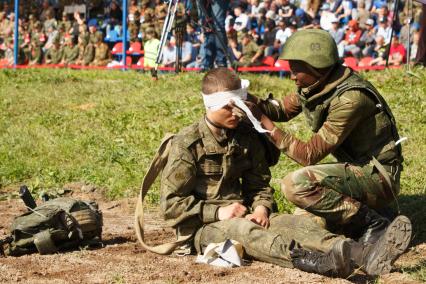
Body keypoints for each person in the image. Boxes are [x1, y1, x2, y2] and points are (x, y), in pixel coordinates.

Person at [152, 67, 412, 278]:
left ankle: (359, 253)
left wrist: (262, 208)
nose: (235, 113)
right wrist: (219, 212)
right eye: (227, 108)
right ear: (209, 106)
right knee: (247, 233)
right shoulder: (187, 144)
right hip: (203, 227)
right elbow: (171, 206)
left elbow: (259, 185)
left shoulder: (246, 136)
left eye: (239, 106)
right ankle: (322, 263)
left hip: (248, 215)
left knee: (295, 224)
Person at [245, 30, 409, 261]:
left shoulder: (350, 99)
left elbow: (309, 154)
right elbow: (281, 109)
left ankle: (375, 222)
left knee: (296, 185)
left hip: (379, 177)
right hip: (358, 170)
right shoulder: (318, 84)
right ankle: (366, 217)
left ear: (316, 67)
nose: (292, 76)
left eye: (295, 69)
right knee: (306, 218)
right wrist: (249, 99)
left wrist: (264, 123)